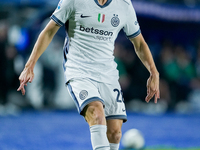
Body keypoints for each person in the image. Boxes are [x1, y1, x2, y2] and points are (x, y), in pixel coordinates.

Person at [17, 0, 160, 149]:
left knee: (115, 132)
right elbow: (49, 31)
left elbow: (139, 43)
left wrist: (154, 72)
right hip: (78, 69)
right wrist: (29, 65)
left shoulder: (124, 4)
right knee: (97, 114)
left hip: (107, 73)